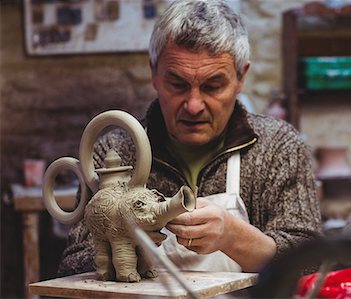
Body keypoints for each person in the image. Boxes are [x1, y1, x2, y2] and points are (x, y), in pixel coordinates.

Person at [58, 0, 321, 276]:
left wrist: (235, 237)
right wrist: (126, 239)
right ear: (154, 74)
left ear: (241, 77)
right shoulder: (115, 152)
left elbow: (313, 262)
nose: (194, 105)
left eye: (212, 86)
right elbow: (72, 266)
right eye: (178, 84)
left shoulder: (278, 148)